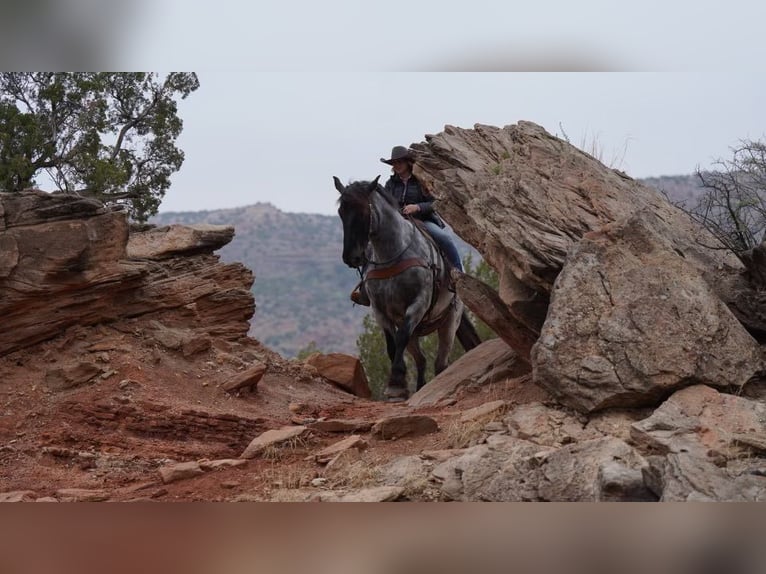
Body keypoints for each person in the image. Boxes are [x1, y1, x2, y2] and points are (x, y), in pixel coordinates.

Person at [350, 145, 463, 306]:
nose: (397, 165)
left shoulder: (421, 180)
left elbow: (435, 203)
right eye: (394, 163)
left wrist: (417, 207)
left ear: (408, 162)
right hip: (398, 224)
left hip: (422, 220)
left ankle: (457, 274)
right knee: (370, 247)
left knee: (443, 237)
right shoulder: (390, 184)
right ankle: (365, 287)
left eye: (400, 162)